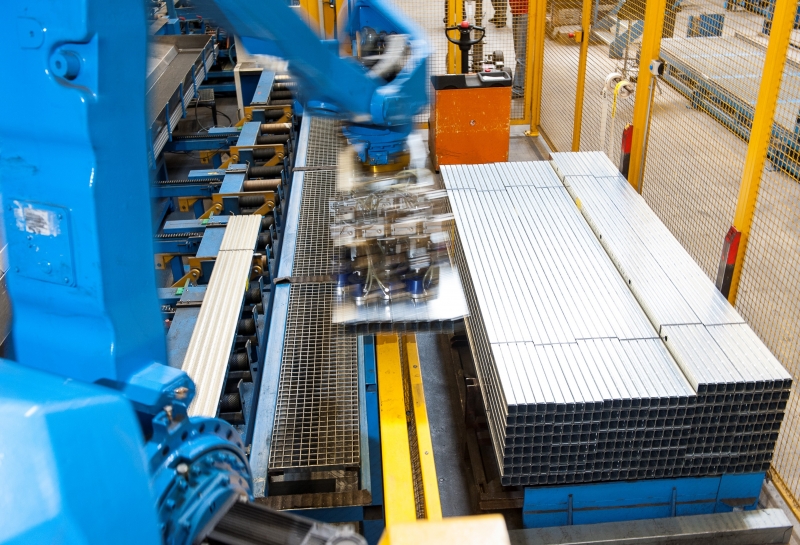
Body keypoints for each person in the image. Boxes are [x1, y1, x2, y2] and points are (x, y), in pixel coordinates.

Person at [510, 0, 528, 98]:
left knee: (521, 54)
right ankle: (522, 84)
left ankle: (519, 88)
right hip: (516, 12)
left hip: (525, 13)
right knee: (518, 51)